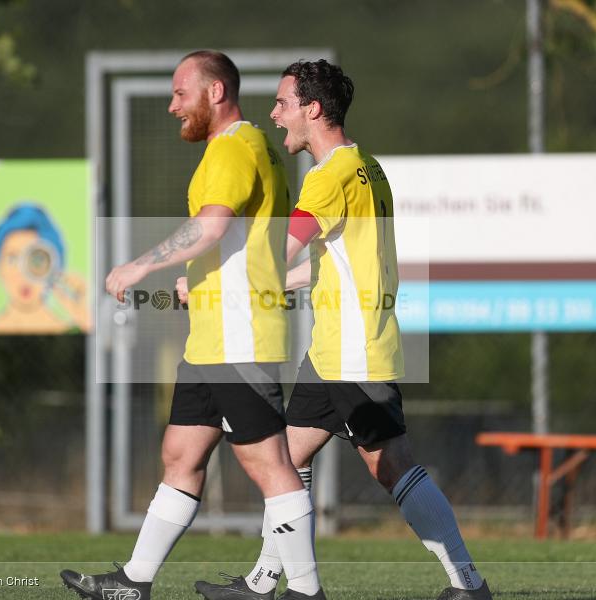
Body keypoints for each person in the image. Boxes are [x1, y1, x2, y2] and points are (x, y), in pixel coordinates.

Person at [194, 60, 493, 600]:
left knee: (390, 466)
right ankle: (264, 582)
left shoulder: (328, 178)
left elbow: (276, 252)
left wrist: (210, 282)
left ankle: (467, 583)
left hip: (352, 352)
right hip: (336, 350)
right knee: (286, 459)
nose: (274, 113)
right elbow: (335, 259)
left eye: (283, 103)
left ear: (313, 108)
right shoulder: (367, 167)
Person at [60, 50, 326, 600]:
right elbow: (243, 243)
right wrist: (193, 280)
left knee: (270, 466)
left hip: (238, 335)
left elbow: (211, 226)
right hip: (212, 337)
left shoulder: (233, 147)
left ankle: (305, 591)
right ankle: (134, 582)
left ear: (215, 93)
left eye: (181, 94)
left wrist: (142, 264)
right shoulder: (250, 147)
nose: (171, 105)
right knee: (181, 455)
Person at [0, 202, 88, 334]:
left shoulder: (74, 331)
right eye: (12, 259)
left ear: (53, 265)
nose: (22, 272)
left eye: (35, 259)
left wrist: (83, 317)